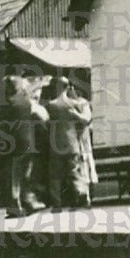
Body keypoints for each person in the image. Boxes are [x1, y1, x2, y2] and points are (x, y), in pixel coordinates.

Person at [0, 74, 50, 218]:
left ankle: (17, 205)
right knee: (24, 173)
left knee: (12, 176)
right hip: (25, 142)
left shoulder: (3, 103)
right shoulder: (25, 101)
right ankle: (25, 202)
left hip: (8, 144)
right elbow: (41, 117)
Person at [46, 77, 95, 209]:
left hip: (56, 145)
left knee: (55, 176)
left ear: (56, 87)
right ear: (67, 88)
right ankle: (82, 195)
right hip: (72, 144)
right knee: (74, 173)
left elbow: (45, 122)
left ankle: (57, 205)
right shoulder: (75, 104)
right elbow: (85, 121)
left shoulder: (51, 105)